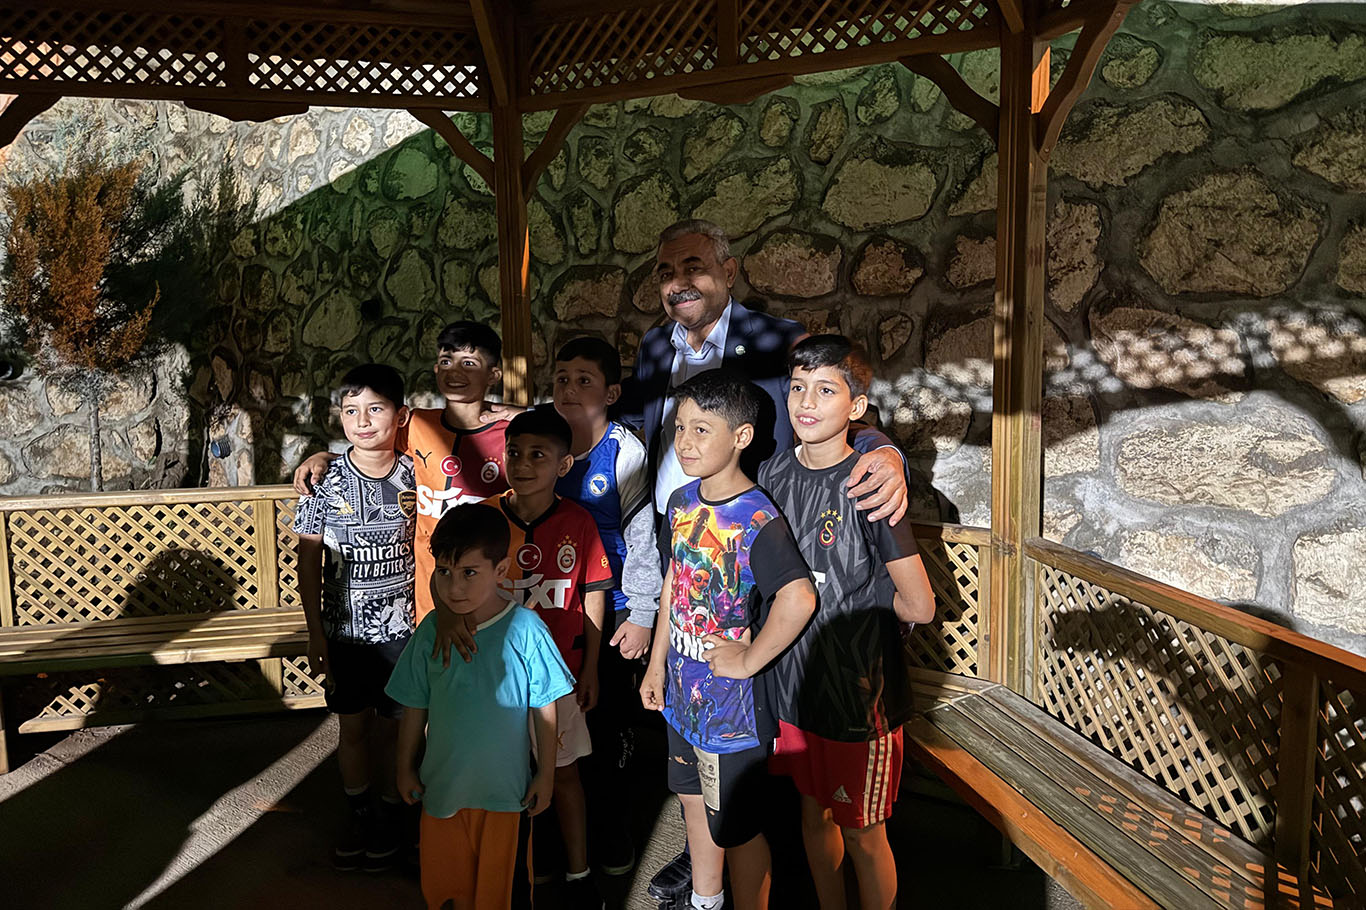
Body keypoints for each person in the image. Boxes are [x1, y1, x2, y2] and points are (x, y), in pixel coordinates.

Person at [622, 218, 914, 901]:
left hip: (754, 554)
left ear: (729, 272)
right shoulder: (653, 347)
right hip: (683, 549)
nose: (678, 282)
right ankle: (707, 860)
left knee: (744, 730)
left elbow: (833, 414)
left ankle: (747, 850)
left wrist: (886, 453)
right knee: (695, 735)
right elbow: (634, 435)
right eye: (666, 271)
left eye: (693, 266)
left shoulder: (780, 340)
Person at [761, 336, 936, 910]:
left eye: (826, 390)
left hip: (859, 699)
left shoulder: (870, 484)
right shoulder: (771, 474)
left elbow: (919, 606)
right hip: (793, 688)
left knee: (863, 834)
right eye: (797, 388)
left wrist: (859, 613)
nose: (806, 402)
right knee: (812, 815)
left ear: (856, 407)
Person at [640, 370, 817, 910]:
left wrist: (748, 660)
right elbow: (674, 584)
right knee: (691, 803)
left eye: (702, 429)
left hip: (731, 712)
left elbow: (798, 598)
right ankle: (705, 900)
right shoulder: (679, 502)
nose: (685, 442)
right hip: (681, 695)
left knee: (736, 828)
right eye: (680, 427)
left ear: (741, 436)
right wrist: (656, 665)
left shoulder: (757, 517)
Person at [386, 504, 574, 910]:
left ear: (501, 570)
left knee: (503, 897)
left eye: (469, 572)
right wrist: (404, 766)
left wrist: (546, 774)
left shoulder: (526, 629)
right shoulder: (430, 633)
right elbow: (414, 707)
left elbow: (545, 708)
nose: (455, 587)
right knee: (447, 895)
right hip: (442, 794)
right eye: (445, 572)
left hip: (506, 797)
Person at [294, 321, 514, 622]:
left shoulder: (512, 436)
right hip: (426, 597)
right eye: (446, 361)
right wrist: (324, 457)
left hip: (491, 592)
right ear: (436, 369)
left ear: (493, 375)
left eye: (469, 363)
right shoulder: (417, 425)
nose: (455, 371)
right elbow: (371, 445)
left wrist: (525, 414)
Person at [484, 406, 614, 910]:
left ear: (563, 464)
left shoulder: (578, 521)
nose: (522, 463)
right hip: (495, 680)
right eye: (514, 452)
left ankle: (579, 875)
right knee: (505, 776)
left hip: (557, 680)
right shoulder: (484, 518)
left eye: (538, 455)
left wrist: (591, 667)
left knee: (564, 775)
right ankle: (517, 872)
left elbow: (594, 593)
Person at [292, 363, 416, 872]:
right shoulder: (324, 480)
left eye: (375, 409)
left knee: (397, 729)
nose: (362, 421)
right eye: (350, 411)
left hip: (402, 634)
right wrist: (315, 633)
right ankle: (359, 813)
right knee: (353, 728)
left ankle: (393, 811)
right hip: (344, 635)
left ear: (400, 416)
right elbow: (307, 560)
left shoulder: (417, 473)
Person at [550, 336, 661, 877]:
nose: (570, 389)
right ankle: (555, 830)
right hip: (551, 603)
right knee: (550, 722)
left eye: (584, 380)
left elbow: (643, 539)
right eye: (561, 378)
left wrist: (642, 614)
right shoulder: (539, 438)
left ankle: (611, 826)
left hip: (613, 607)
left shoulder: (626, 452)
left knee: (607, 720)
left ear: (611, 393)